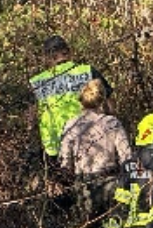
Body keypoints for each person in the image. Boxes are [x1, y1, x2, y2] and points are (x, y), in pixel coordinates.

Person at [29, 35, 108, 164]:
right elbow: (109, 103)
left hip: (55, 147)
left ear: (47, 58)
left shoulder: (37, 82)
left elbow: (31, 118)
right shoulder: (87, 71)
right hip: (91, 140)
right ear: (68, 52)